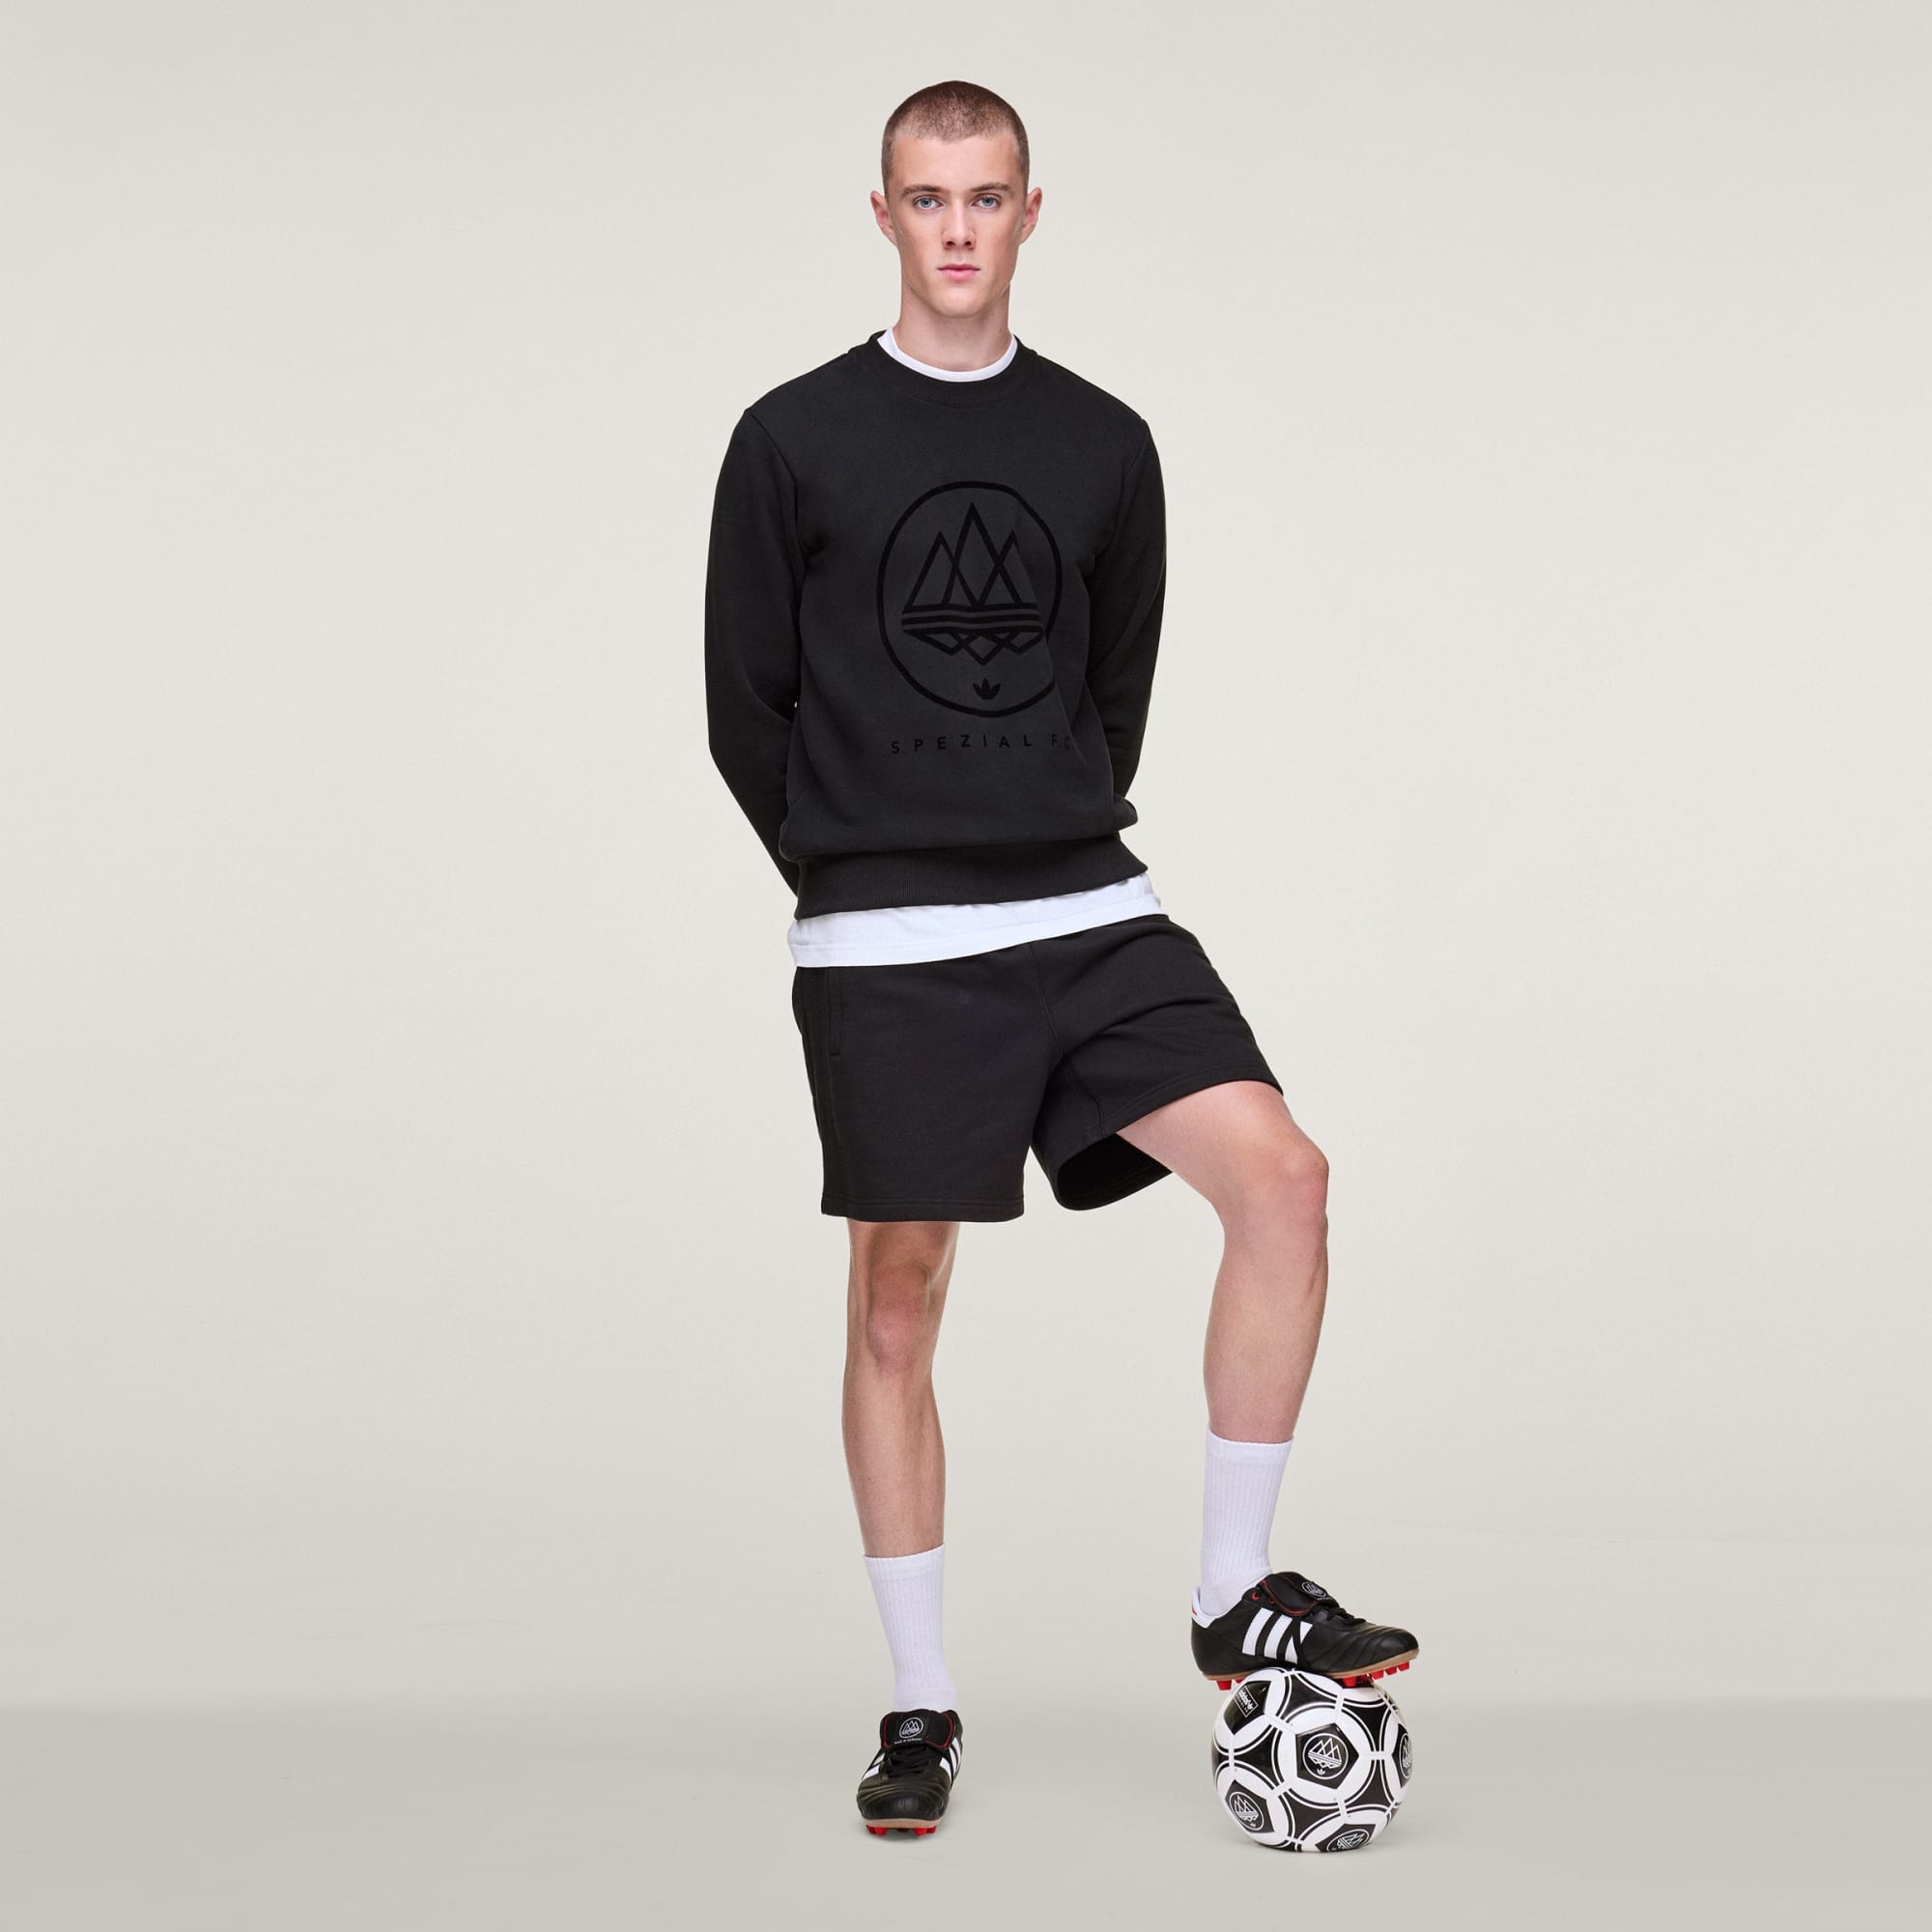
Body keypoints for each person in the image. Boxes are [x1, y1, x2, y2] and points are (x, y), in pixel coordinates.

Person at [703, 79, 1416, 1839]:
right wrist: (858, 863)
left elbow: (1116, 681)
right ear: (883, 214)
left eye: (986, 197)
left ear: (1032, 212)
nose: (957, 227)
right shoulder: (791, 437)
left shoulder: (1105, 442)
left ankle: (1232, 1594)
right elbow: (743, 705)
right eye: (926, 197)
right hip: (889, 942)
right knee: (898, 1303)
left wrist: (1042, 812)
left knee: (1286, 1179)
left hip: (1083, 912)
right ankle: (922, 1701)